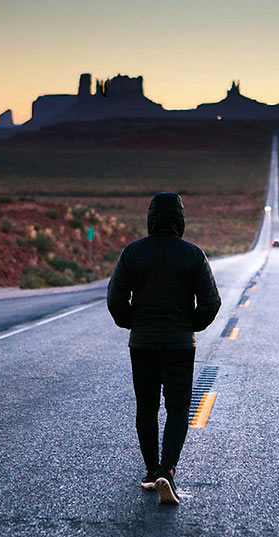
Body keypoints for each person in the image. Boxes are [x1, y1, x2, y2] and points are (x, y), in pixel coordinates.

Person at [107, 192, 221, 505]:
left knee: (146, 407)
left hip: (142, 342)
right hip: (179, 345)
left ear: (151, 218)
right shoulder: (193, 255)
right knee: (178, 408)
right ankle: (166, 471)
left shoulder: (133, 253)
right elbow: (211, 302)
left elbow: (115, 299)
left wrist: (133, 323)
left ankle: (150, 471)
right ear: (180, 219)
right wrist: (190, 325)